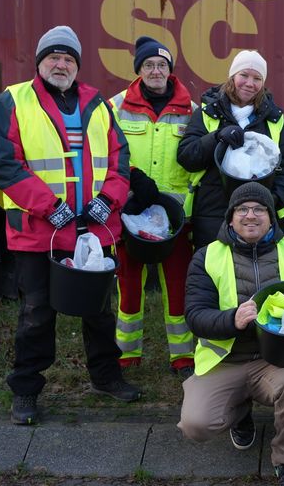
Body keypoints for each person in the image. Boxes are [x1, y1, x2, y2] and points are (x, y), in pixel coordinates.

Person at [0, 25, 141, 425]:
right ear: (40, 63)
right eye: (54, 57)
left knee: (100, 311)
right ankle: (25, 390)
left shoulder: (97, 103)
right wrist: (48, 207)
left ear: (77, 66)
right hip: (40, 232)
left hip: (93, 229)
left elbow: (121, 160)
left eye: (69, 59)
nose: (61, 64)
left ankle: (105, 377)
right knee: (37, 312)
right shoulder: (11, 101)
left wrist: (109, 202)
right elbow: (4, 165)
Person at [178, 182, 284, 486]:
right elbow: (195, 316)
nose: (250, 215)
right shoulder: (207, 256)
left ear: (271, 216)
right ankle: (240, 415)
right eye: (242, 209)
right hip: (226, 360)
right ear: (230, 217)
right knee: (195, 425)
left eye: (259, 209)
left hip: (279, 361)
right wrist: (231, 319)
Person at [110, 36, 196, 377]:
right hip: (130, 211)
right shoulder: (116, 106)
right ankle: (126, 354)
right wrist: (131, 177)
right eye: (149, 65)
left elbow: (199, 161)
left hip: (177, 217)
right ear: (139, 70)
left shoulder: (193, 109)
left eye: (162, 65)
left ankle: (183, 357)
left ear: (170, 71)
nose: (156, 70)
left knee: (179, 286)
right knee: (129, 285)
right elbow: (106, 152)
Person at [177, 50, 284, 249]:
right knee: (212, 273)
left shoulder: (275, 119)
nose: (250, 83)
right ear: (232, 76)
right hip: (213, 212)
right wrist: (216, 137)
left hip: (261, 216)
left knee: (259, 274)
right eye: (244, 75)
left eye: (257, 78)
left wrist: (273, 199)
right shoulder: (207, 114)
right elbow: (187, 157)